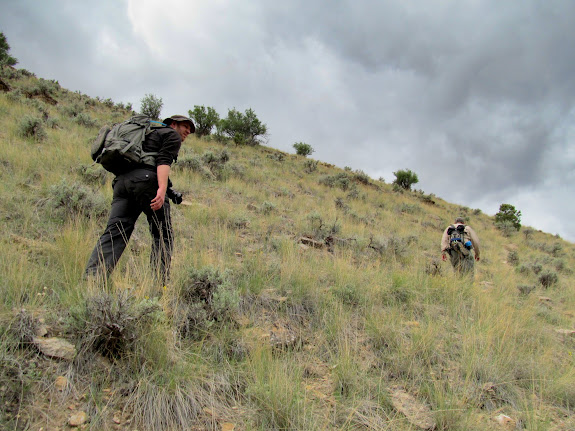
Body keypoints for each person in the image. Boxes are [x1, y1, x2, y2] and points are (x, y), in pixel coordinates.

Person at [85, 115, 195, 284]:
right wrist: (162, 189)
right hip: (146, 182)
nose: (188, 131)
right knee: (162, 234)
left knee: (115, 232)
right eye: (185, 126)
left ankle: (92, 280)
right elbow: (163, 161)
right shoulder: (171, 135)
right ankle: (159, 286)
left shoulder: (147, 133)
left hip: (122, 184)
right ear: (173, 124)